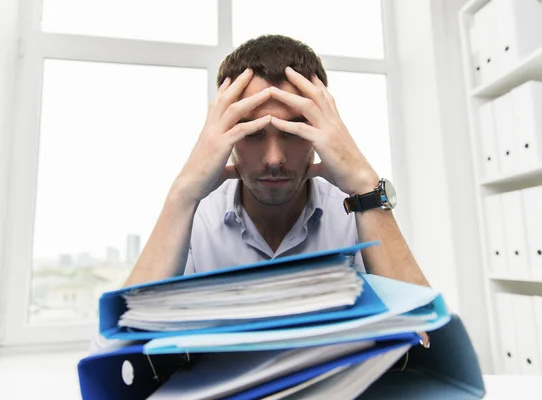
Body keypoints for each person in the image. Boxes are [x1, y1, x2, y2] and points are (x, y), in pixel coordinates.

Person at [91, 34, 430, 352]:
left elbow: (430, 342)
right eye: (252, 133)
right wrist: (182, 194)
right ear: (224, 135)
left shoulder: (355, 212)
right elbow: (118, 353)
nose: (274, 159)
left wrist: (365, 186)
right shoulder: (196, 218)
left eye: (293, 130)